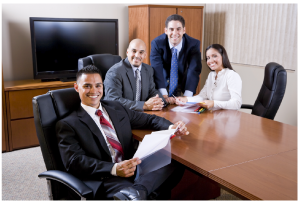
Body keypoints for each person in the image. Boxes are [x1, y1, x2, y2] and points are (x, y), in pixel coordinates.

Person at [56, 65, 189, 201]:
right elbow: (74, 161)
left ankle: (139, 190)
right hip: (106, 177)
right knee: (152, 188)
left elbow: (149, 119)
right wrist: (114, 168)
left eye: (98, 85)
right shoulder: (68, 124)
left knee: (174, 159)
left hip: (133, 167)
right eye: (87, 86)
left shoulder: (116, 108)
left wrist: (172, 127)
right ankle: (141, 191)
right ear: (76, 87)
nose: (94, 90)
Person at [150, 14, 202, 104]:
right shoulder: (157, 43)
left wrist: (186, 97)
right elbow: (157, 68)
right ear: (166, 30)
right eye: (171, 29)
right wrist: (164, 95)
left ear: (184, 30)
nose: (174, 33)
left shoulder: (193, 44)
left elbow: (194, 70)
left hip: (184, 82)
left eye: (178, 29)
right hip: (162, 81)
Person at [104, 39, 165, 112]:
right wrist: (144, 105)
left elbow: (152, 91)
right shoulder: (115, 72)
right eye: (134, 51)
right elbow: (113, 101)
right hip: (121, 115)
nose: (137, 55)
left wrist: (160, 101)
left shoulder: (148, 70)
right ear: (127, 52)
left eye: (141, 52)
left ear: (145, 55)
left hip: (141, 115)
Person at [175, 44, 242, 110]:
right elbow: (203, 96)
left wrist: (213, 103)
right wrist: (186, 99)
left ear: (223, 56)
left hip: (228, 117)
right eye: (208, 58)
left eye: (214, 56)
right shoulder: (211, 75)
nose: (210, 61)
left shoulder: (231, 75)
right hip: (213, 115)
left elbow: (237, 103)